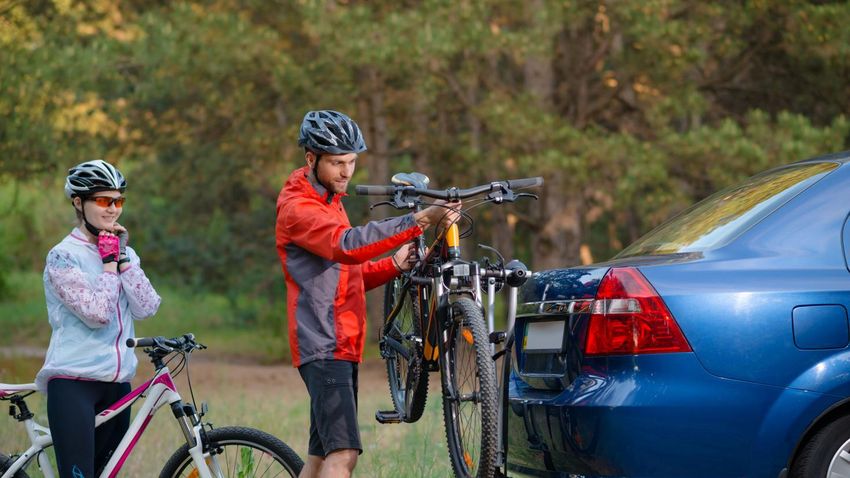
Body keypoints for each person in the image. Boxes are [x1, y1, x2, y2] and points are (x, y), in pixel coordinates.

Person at [276, 110, 460, 478]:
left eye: (352, 162)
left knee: (319, 457)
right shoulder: (299, 208)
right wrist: (420, 220)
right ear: (310, 159)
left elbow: (348, 274)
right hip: (324, 343)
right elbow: (346, 245)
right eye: (337, 163)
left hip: (338, 342)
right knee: (343, 455)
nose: (346, 172)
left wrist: (394, 264)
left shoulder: (327, 200)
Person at [35, 159, 161, 478]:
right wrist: (107, 265)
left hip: (118, 385)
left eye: (119, 201)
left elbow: (147, 306)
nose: (113, 209)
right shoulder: (62, 256)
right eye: (104, 200)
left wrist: (122, 260)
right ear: (79, 202)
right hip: (74, 383)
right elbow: (97, 314)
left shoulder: (122, 252)